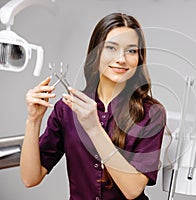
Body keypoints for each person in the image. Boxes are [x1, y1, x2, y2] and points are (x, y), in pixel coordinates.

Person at [20, 13, 166, 200]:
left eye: (131, 51)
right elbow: (30, 178)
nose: (121, 59)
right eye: (112, 48)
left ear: (139, 57)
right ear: (96, 53)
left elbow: (133, 190)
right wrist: (33, 120)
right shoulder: (67, 109)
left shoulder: (151, 113)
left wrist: (94, 128)